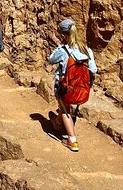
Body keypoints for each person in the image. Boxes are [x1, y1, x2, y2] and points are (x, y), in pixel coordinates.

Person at [48, 19, 97, 152]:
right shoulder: (87, 51)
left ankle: (72, 140)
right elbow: (93, 70)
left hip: (65, 87)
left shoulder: (63, 50)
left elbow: (50, 59)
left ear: (64, 34)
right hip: (81, 87)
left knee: (65, 110)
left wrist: (58, 48)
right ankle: (57, 124)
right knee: (64, 106)